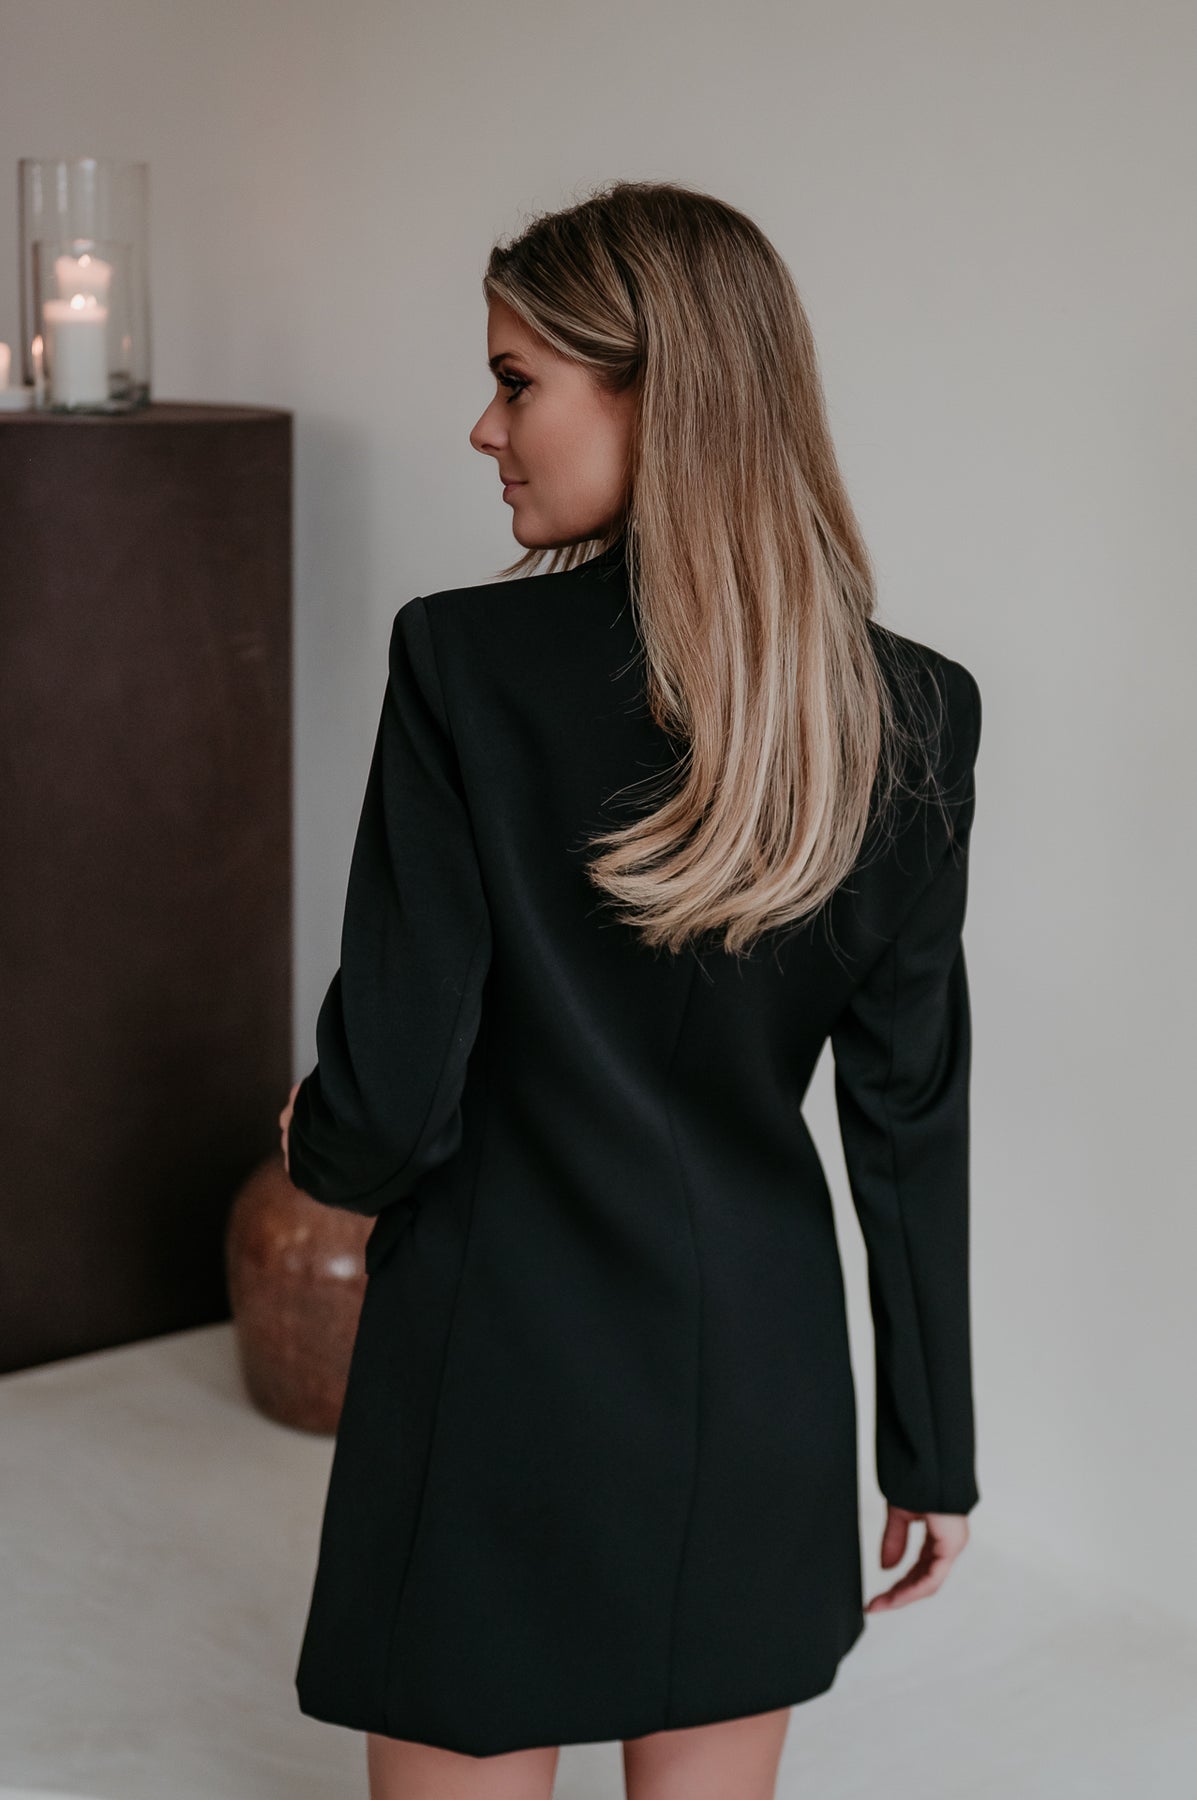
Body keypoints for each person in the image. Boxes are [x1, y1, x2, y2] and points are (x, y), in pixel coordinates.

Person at [279, 179, 983, 1800]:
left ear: (654, 391)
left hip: (493, 1361)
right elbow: (906, 1113)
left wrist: (317, 1136)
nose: (484, 428)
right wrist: (930, 1448)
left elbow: (389, 1100)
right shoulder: (916, 712)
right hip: (756, 1373)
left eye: (514, 379)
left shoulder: (463, 663)